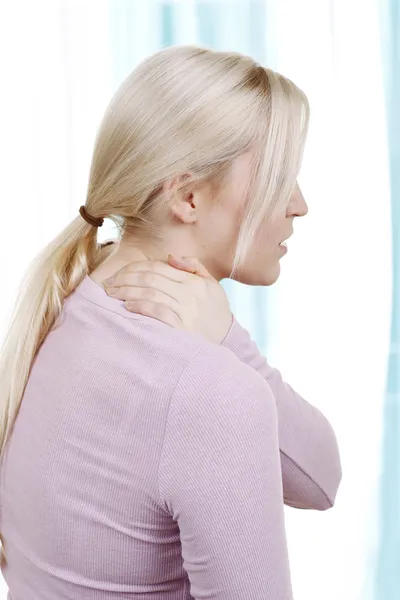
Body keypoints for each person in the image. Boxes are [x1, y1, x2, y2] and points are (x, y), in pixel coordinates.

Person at [0, 45, 341, 599]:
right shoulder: (207, 392)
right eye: (281, 175)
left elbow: (320, 476)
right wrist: (226, 350)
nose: (299, 204)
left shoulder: (70, 301)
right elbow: (324, 482)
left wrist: (227, 340)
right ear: (188, 197)